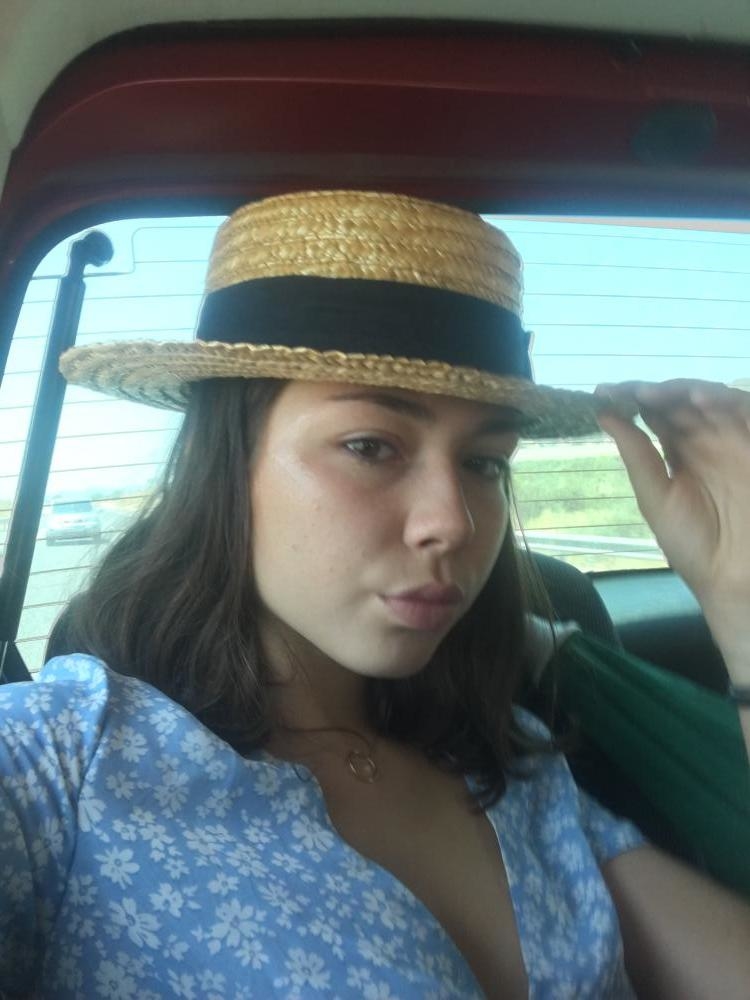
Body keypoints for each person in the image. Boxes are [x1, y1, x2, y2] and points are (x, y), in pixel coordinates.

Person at [1, 189, 748, 999]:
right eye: (369, 446)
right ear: (229, 461)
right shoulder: (61, 761)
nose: (453, 523)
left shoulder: (513, 763)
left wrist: (740, 600)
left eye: (484, 463)